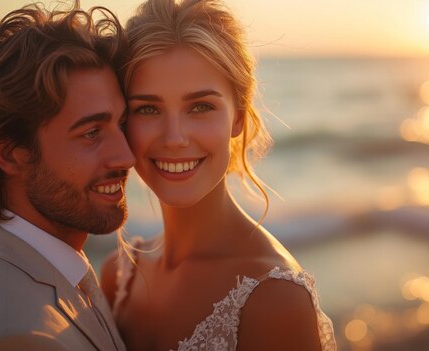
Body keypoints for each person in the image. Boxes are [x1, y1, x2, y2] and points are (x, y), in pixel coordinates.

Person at [101, 0, 337, 350]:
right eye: (148, 109)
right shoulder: (117, 274)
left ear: (238, 117)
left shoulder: (275, 299)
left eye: (200, 107)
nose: (175, 138)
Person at [0, 3, 133, 351]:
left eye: (121, 123)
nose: (127, 155)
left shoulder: (33, 267)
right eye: (91, 132)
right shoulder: (21, 337)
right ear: (9, 153)